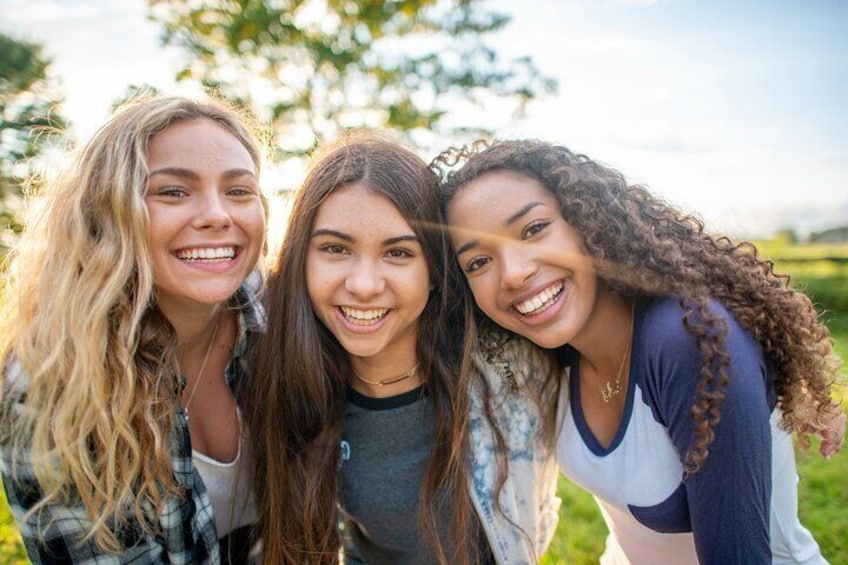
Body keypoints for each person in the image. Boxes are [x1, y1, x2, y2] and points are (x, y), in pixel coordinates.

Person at [436, 139, 846, 564]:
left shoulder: (690, 341)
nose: (514, 273)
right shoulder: (548, 352)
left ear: (587, 221)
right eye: (478, 262)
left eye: (534, 229)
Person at [244, 133, 560, 565]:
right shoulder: (289, 373)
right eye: (335, 249)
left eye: (397, 252)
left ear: (433, 269)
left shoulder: (509, 362)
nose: (364, 285)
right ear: (302, 258)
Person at [0, 95, 267, 563]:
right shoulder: (49, 389)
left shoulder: (282, 322)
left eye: (239, 191)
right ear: (107, 213)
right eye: (172, 192)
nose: (217, 215)